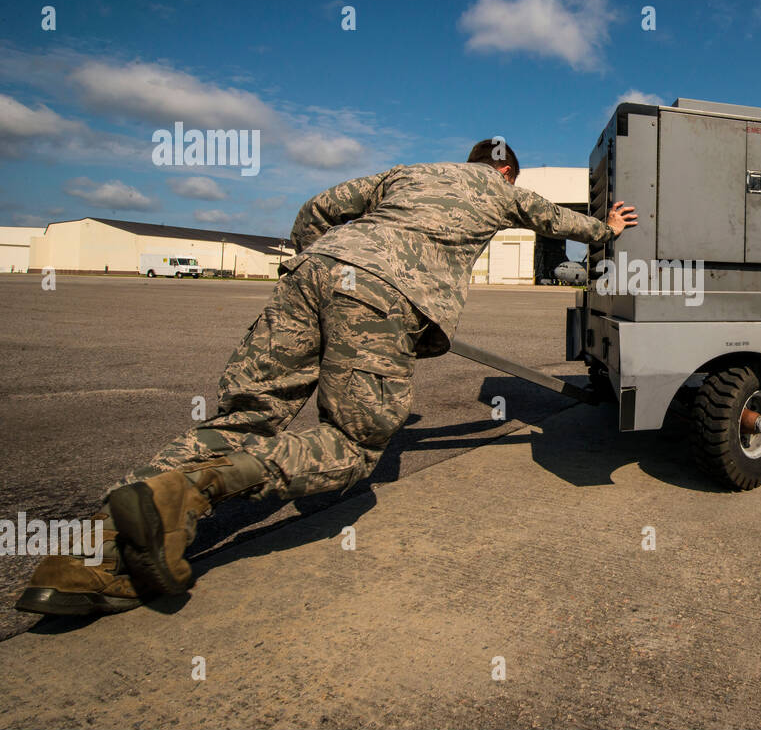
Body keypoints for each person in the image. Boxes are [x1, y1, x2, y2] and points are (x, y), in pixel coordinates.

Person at [17, 139, 637, 615]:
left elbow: (318, 207)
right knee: (352, 447)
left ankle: (82, 563)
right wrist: (605, 228)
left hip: (314, 272)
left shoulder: (407, 173)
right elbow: (557, 221)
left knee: (243, 417)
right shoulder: (503, 190)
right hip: (381, 294)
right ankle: (193, 491)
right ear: (505, 171)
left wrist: (324, 258)